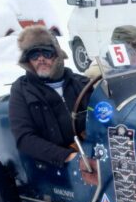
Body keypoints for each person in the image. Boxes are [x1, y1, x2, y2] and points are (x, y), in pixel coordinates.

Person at [9, 25, 90, 166]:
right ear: (28, 60)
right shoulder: (21, 89)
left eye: (46, 53)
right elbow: (24, 138)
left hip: (90, 152)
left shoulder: (81, 83)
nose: (40, 59)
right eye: (34, 55)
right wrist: (67, 156)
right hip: (52, 164)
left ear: (57, 55)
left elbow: (104, 116)